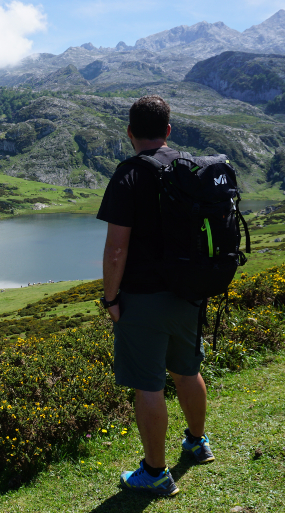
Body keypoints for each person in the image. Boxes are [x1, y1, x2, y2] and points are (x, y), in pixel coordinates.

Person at [97, 95, 214, 497]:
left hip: (143, 298)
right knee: (187, 369)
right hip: (189, 292)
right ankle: (198, 444)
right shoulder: (190, 167)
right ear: (168, 130)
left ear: (129, 133)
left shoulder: (128, 174)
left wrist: (111, 300)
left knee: (148, 384)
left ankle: (155, 472)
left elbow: (116, 250)